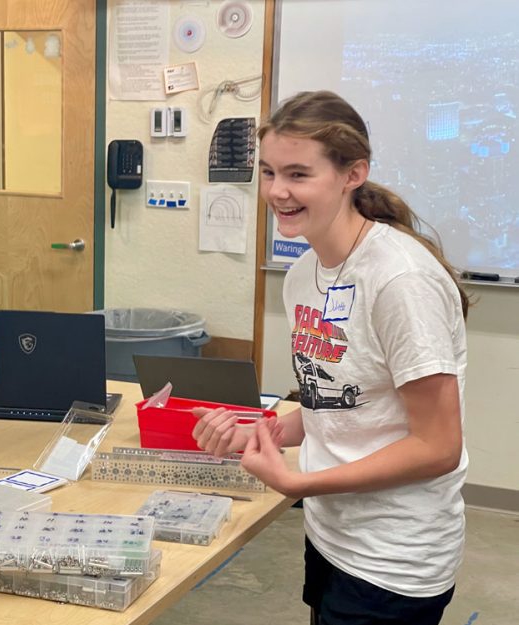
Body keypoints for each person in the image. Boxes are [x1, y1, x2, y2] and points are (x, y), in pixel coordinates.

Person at [193, 91, 469, 625]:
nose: (278, 191)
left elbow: (438, 446)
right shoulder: (302, 275)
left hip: (393, 561)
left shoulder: (399, 280)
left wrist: (298, 483)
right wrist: (264, 430)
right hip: (331, 538)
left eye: (299, 174)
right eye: (270, 172)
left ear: (352, 174)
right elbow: (339, 407)